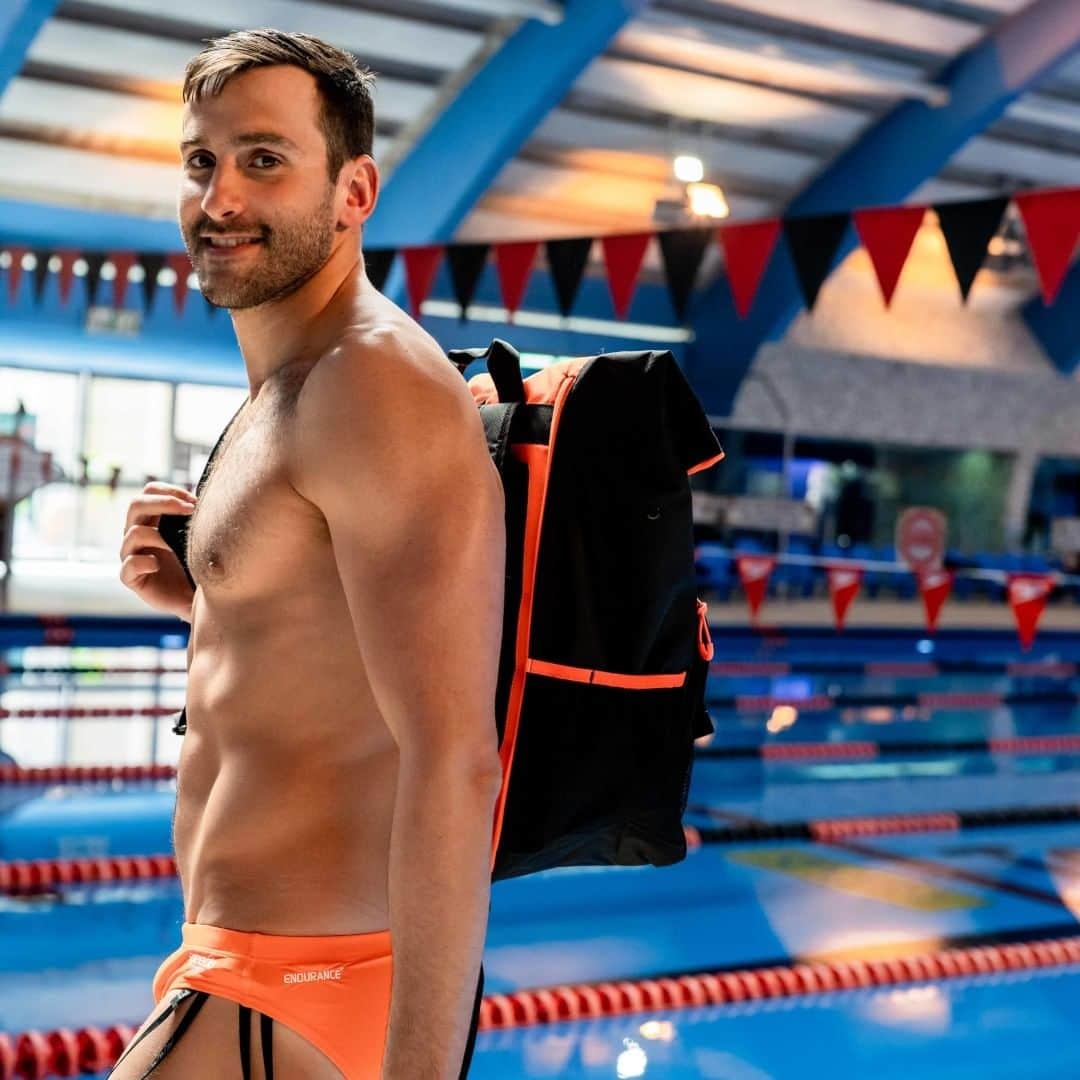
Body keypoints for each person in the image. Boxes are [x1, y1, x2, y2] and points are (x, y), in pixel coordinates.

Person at [114, 29, 505, 1080]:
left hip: (295, 990)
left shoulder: (369, 383)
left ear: (354, 190)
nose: (221, 197)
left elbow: (456, 758)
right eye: (203, 162)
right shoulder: (291, 387)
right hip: (247, 972)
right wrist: (207, 605)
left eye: (264, 159)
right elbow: (327, 668)